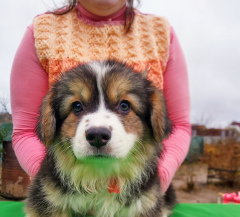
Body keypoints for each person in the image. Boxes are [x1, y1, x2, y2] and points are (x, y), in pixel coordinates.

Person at [10, 0, 191, 193]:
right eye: (77, 107)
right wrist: (60, 187)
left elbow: (179, 126)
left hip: (136, 185)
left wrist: (149, 184)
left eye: (124, 106)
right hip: (69, 190)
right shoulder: (42, 32)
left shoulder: (160, 33)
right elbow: (26, 131)